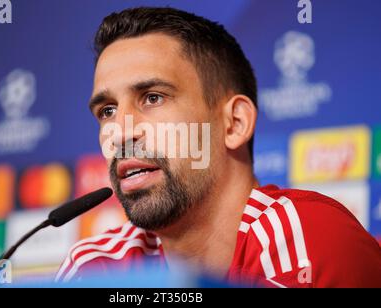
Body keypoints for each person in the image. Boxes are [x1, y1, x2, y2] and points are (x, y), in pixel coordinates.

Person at [56, 7, 381, 287]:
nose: (120, 133)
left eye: (153, 98)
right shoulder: (93, 269)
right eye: (107, 111)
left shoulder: (307, 242)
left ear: (234, 124)